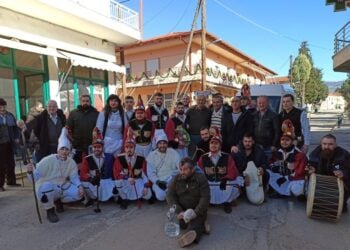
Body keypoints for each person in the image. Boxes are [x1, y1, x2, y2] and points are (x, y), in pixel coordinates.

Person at [26, 134, 84, 223]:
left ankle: (58, 201)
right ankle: (50, 210)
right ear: (58, 150)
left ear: (69, 151)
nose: (64, 151)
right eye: (62, 149)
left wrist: (79, 186)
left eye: (66, 149)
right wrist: (30, 172)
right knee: (47, 187)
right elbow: (34, 178)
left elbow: (74, 177)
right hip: (45, 186)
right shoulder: (47, 160)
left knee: (77, 193)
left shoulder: (71, 162)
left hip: (61, 186)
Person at [167, 157, 210, 248]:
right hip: (183, 209)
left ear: (193, 169)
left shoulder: (201, 179)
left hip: (197, 209)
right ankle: (203, 223)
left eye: (185, 169)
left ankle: (194, 231)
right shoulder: (176, 179)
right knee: (183, 225)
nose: (182, 172)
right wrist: (179, 211)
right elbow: (170, 195)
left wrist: (196, 212)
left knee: (195, 222)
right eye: (181, 169)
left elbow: (205, 198)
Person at [198, 129, 242, 213]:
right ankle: (210, 201)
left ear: (220, 146)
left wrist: (226, 179)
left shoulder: (227, 156)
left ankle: (227, 202)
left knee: (234, 185)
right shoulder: (203, 158)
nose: (213, 145)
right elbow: (199, 171)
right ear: (209, 145)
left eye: (216, 143)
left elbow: (233, 170)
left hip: (224, 183)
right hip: (210, 183)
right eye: (211, 143)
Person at [308, 134, 350, 212]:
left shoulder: (343, 154)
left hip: (338, 182)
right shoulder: (316, 152)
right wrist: (311, 168)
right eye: (324, 144)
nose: (327, 147)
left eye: (330, 144)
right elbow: (311, 163)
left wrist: (343, 173)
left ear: (335, 145)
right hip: (320, 182)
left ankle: (342, 202)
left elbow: (348, 168)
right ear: (321, 144)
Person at [267, 125, 307, 199]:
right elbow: (270, 163)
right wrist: (275, 165)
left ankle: (297, 193)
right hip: (281, 176)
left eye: (287, 140)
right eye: (282, 140)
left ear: (292, 142)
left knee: (296, 189)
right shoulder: (277, 151)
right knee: (267, 172)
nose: (284, 142)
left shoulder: (299, 154)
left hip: (293, 179)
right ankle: (280, 191)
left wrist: (286, 177)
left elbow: (300, 172)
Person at [80, 128, 116, 207]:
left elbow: (114, 170)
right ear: (92, 148)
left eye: (99, 147)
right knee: (83, 183)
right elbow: (83, 173)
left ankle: (112, 195)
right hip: (94, 182)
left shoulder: (110, 156)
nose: (96, 149)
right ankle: (93, 198)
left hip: (107, 180)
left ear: (102, 148)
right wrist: (90, 178)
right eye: (95, 147)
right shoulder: (87, 158)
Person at [114, 137, 152, 209]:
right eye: (127, 147)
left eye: (131, 147)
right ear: (124, 148)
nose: (129, 149)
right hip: (126, 182)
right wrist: (127, 178)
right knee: (118, 182)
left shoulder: (141, 158)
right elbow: (117, 173)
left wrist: (146, 187)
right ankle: (124, 199)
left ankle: (141, 196)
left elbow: (145, 174)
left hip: (138, 181)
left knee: (148, 195)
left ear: (134, 148)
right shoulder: (119, 158)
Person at [146, 133, 180, 201]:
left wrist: (174, 178)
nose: (162, 145)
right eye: (160, 143)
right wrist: (158, 182)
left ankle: (172, 194)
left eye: (164, 143)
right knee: (161, 197)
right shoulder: (151, 156)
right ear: (157, 144)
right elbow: (150, 173)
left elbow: (180, 166)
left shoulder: (173, 152)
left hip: (172, 178)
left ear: (167, 144)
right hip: (159, 180)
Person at [67, 95, 99, 164]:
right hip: (77, 146)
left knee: (91, 166)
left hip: (91, 146)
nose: (85, 103)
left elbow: (99, 130)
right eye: (83, 101)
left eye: (87, 101)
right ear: (80, 102)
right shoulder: (73, 113)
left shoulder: (96, 114)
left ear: (90, 102)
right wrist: (72, 141)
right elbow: (69, 129)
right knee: (77, 166)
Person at [0, 98, 20, 190]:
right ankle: (0, 185)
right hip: (1, 144)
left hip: (10, 142)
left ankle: (11, 181)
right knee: (1, 165)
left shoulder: (10, 115)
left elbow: (15, 128)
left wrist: (16, 137)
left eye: (4, 106)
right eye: (0, 106)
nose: (2, 108)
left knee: (11, 163)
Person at [252, 96, 280, 160]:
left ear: (267, 103)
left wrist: (274, 145)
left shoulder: (274, 115)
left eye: (263, 103)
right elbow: (251, 129)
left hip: (268, 146)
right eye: (259, 103)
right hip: (256, 145)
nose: (261, 104)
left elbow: (277, 131)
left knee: (267, 164)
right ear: (257, 104)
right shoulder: (254, 115)